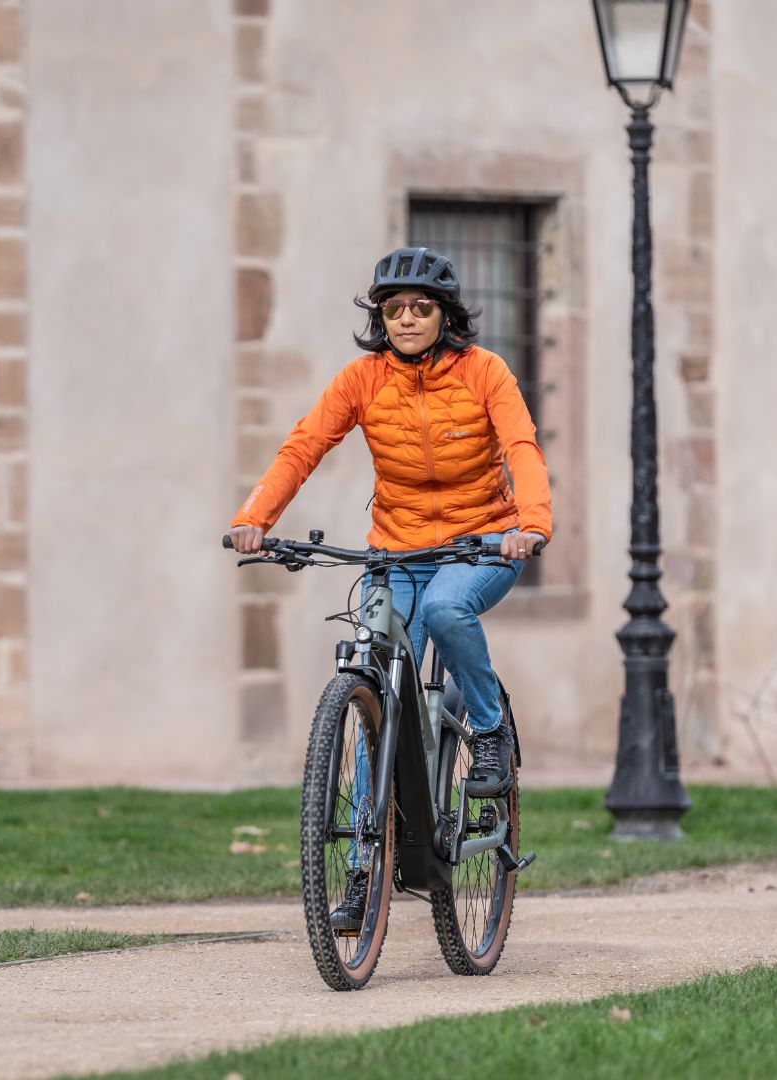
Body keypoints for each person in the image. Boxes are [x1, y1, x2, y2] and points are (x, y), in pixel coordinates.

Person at [228, 246, 552, 925]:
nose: (406, 319)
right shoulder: (363, 379)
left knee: (443, 609)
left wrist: (530, 523)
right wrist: (255, 519)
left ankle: (487, 731)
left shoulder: (485, 372)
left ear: (445, 315)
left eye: (421, 308)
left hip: (483, 542)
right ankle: (363, 874)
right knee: (374, 689)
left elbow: (521, 446)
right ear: (380, 318)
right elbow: (305, 444)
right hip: (396, 550)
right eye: (394, 309)